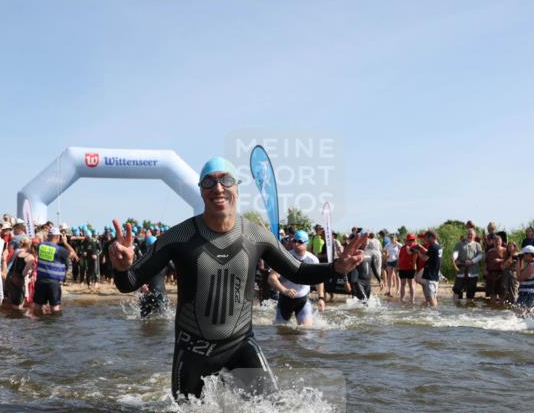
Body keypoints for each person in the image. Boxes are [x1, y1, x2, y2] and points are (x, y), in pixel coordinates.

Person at [109, 156, 366, 399]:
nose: (218, 187)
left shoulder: (257, 235)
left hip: (241, 345)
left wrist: (335, 268)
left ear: (237, 187)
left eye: (226, 180)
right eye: (209, 181)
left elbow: (297, 271)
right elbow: (128, 283)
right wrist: (122, 268)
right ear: (201, 190)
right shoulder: (179, 236)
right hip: (192, 352)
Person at [269, 230, 326, 323]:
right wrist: (284, 290)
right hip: (285, 299)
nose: (296, 244)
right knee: (280, 332)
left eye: (300, 242)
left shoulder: (313, 260)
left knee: (306, 332)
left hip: (302, 300)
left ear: (306, 243)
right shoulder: (285, 257)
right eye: (294, 241)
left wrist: (321, 298)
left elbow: (319, 280)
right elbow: (271, 278)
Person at [33, 227, 78, 314]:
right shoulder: (60, 250)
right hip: (53, 282)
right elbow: (73, 255)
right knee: (54, 307)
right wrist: (65, 243)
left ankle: (39, 325)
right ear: (58, 237)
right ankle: (54, 325)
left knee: (38, 306)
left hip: (40, 280)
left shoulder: (40, 246)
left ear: (49, 235)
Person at [451, 227, 483, 301]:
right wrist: (454, 257)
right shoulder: (459, 244)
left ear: (474, 235)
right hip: (461, 270)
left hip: (473, 271)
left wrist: (472, 261)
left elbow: (480, 255)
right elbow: (456, 253)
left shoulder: (477, 245)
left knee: (471, 292)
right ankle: (455, 308)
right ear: (466, 235)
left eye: (471, 234)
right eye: (468, 234)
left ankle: (469, 310)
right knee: (457, 290)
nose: (470, 236)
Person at [3, 236, 34, 311]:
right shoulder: (30, 257)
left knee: (10, 300)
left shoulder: (17, 252)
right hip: (18, 281)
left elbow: (9, 262)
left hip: (10, 277)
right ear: (29, 245)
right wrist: (30, 272)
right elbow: (23, 273)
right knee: (18, 306)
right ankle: (17, 319)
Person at [347, 235, 381, 303]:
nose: (366, 243)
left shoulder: (371, 254)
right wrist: (347, 281)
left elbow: (374, 268)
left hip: (368, 282)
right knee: (364, 300)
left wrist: (380, 280)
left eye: (367, 242)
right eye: (364, 242)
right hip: (358, 281)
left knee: (366, 301)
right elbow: (348, 268)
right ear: (361, 242)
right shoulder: (355, 253)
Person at [416, 230, 442, 307]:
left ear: (431, 237)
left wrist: (418, 252)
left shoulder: (433, 247)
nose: (426, 240)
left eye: (427, 238)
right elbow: (428, 252)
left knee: (431, 298)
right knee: (432, 297)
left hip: (430, 276)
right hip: (434, 275)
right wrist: (421, 248)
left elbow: (424, 258)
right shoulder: (438, 247)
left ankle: (434, 314)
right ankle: (434, 313)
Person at [483, 233, 506, 305]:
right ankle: (493, 311)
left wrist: (500, 260)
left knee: (502, 294)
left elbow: (509, 260)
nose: (497, 242)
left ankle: (501, 308)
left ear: (501, 242)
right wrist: (485, 270)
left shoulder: (505, 251)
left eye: (499, 241)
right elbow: (486, 262)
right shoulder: (490, 251)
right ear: (493, 242)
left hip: (501, 274)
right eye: (496, 241)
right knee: (492, 294)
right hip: (491, 275)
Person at [397, 233, 420, 303]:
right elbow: (400, 257)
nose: (411, 241)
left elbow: (412, 255)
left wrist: (414, 265)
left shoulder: (415, 246)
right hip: (403, 267)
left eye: (412, 240)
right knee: (403, 284)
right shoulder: (403, 247)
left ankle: (412, 299)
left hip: (410, 268)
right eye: (410, 240)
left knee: (410, 284)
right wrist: (398, 266)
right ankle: (402, 298)